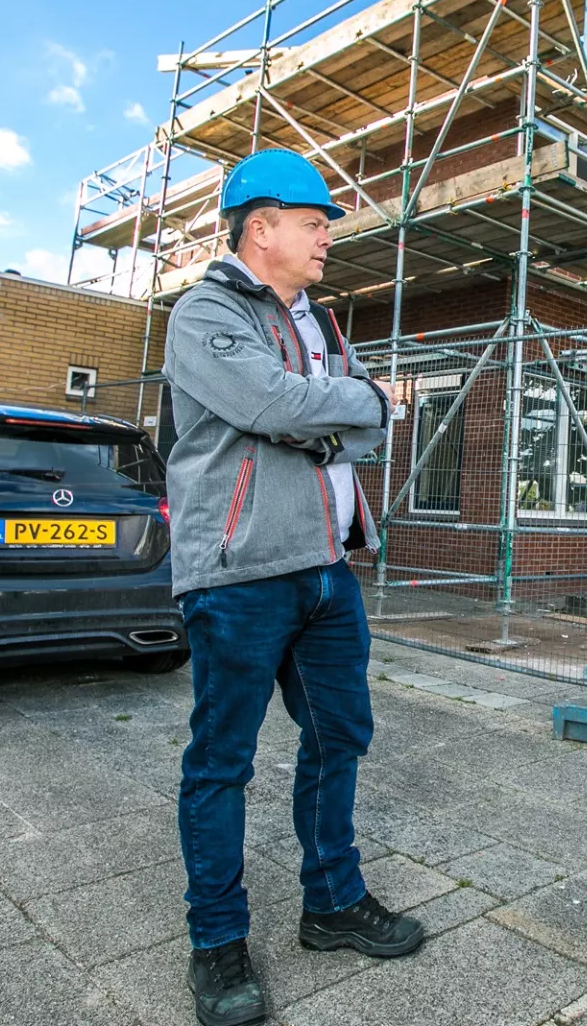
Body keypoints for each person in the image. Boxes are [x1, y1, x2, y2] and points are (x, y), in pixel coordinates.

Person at [164, 149, 422, 1026]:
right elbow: (274, 405)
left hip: (326, 568)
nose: (326, 240)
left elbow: (344, 435)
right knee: (221, 762)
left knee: (340, 737)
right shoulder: (204, 312)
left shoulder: (320, 322)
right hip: (240, 574)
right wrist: (358, 400)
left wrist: (337, 407)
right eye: (315, 224)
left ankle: (332, 904)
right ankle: (217, 942)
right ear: (260, 227)